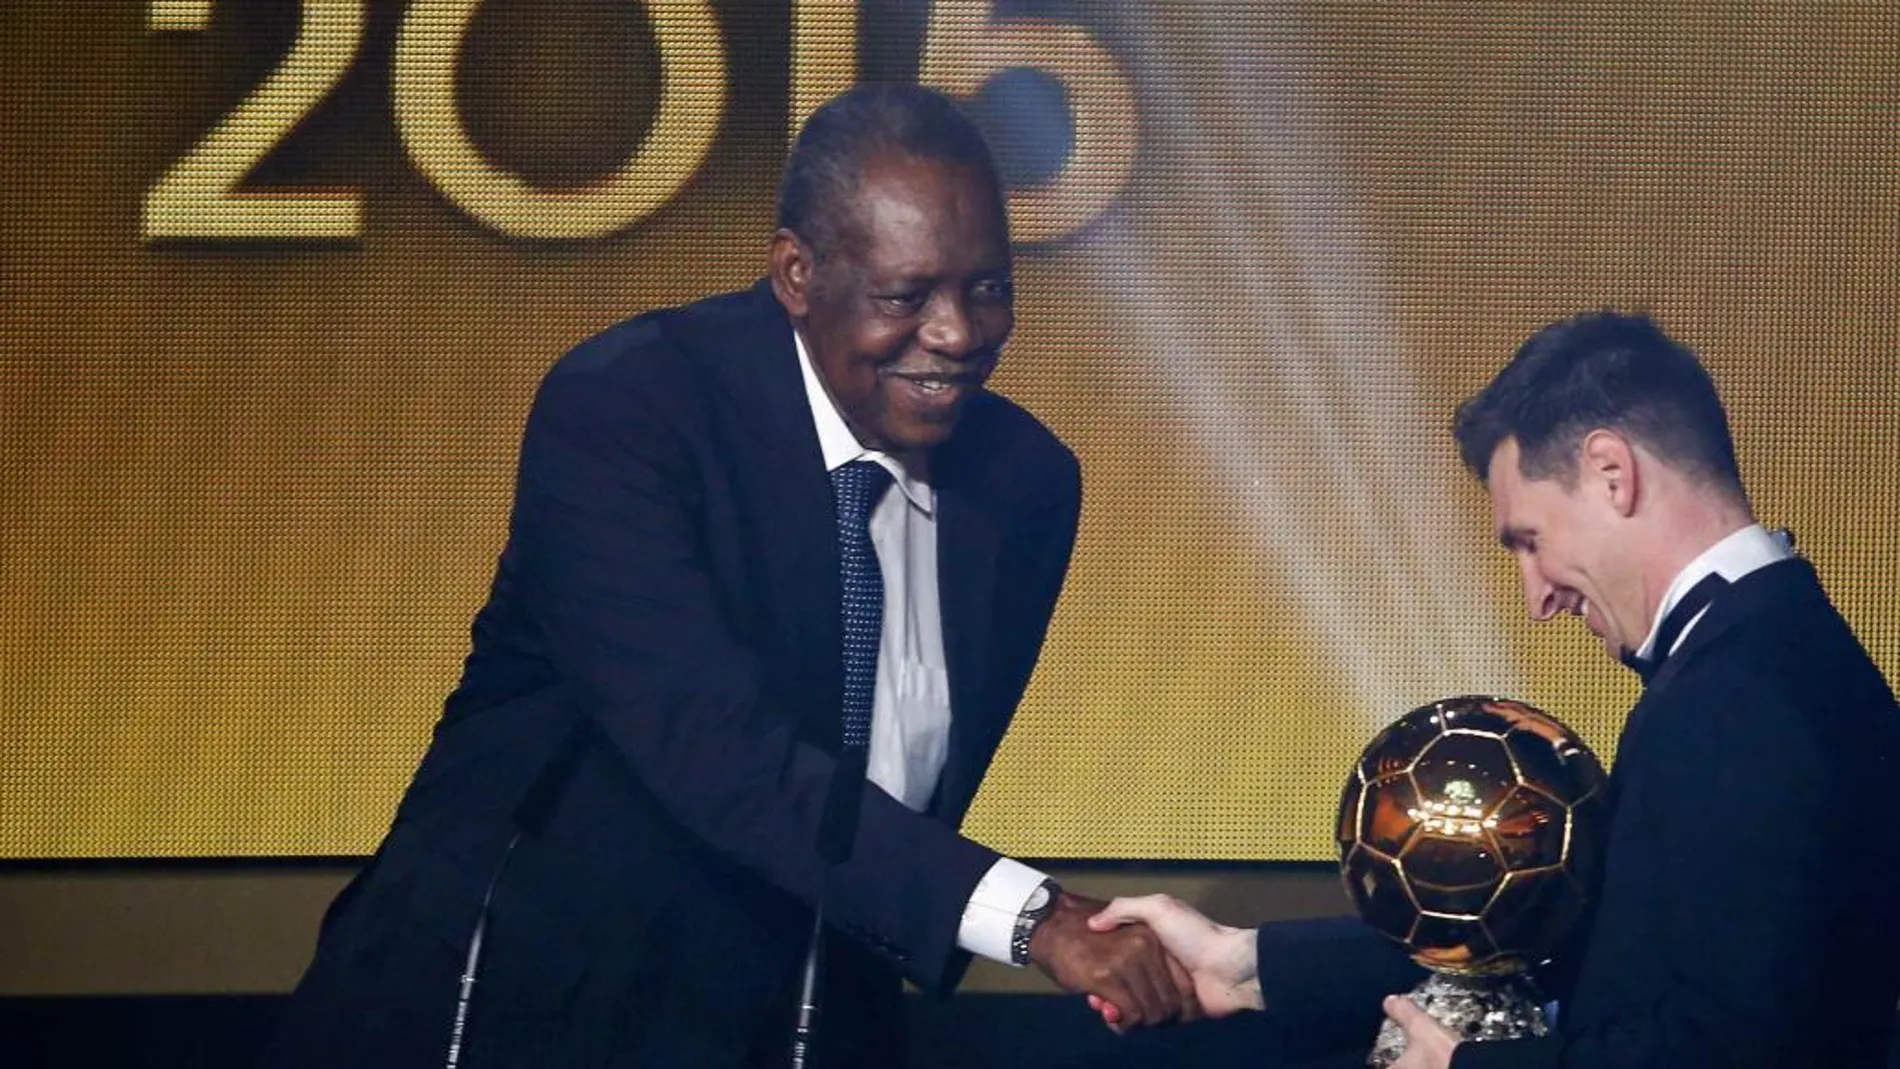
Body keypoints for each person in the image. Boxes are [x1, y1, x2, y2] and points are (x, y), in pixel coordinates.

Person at [264, 84, 1192, 1069]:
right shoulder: (628, 412)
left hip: (807, 1014)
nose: (958, 333)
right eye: (905, 295)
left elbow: (904, 796)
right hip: (515, 1004)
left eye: (988, 286)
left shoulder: (1024, 483)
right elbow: (719, 750)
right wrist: (1034, 917)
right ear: (795, 273)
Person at [1084, 311, 1900, 1068]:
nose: (1537, 597)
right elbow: (1569, 934)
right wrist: (1244, 963)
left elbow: (1739, 1043)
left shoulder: (1744, 697)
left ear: (1612, 472)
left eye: (1530, 541)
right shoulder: (1763, 658)